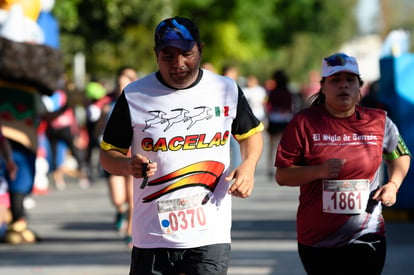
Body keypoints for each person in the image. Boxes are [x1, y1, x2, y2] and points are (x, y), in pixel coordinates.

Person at [100, 16, 263, 274]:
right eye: (168, 56)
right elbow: (108, 155)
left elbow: (251, 135)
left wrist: (249, 166)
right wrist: (127, 165)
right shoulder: (134, 95)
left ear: (201, 49)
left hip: (210, 232)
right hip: (152, 234)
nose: (178, 64)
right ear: (156, 55)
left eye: (187, 54)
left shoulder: (225, 89)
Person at [274, 52, 411, 275]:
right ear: (323, 87)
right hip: (317, 237)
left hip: (367, 231)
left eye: (350, 80)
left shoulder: (379, 121)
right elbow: (283, 175)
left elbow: (401, 155)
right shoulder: (304, 123)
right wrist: (319, 171)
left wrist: (394, 184)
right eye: (335, 80)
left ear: (359, 87)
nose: (343, 86)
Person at [99, 66, 138, 247]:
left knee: (132, 197)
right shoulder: (108, 104)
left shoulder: (141, 103)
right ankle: (120, 210)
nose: (121, 87)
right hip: (113, 154)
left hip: (134, 154)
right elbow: (97, 129)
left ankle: (130, 231)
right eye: (119, 83)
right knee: (118, 198)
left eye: (126, 83)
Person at [266, 69, 293, 178]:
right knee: (284, 146)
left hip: (274, 119)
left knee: (272, 146)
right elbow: (290, 106)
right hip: (285, 119)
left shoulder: (273, 92)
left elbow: (269, 105)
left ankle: (270, 167)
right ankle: (283, 166)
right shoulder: (287, 92)